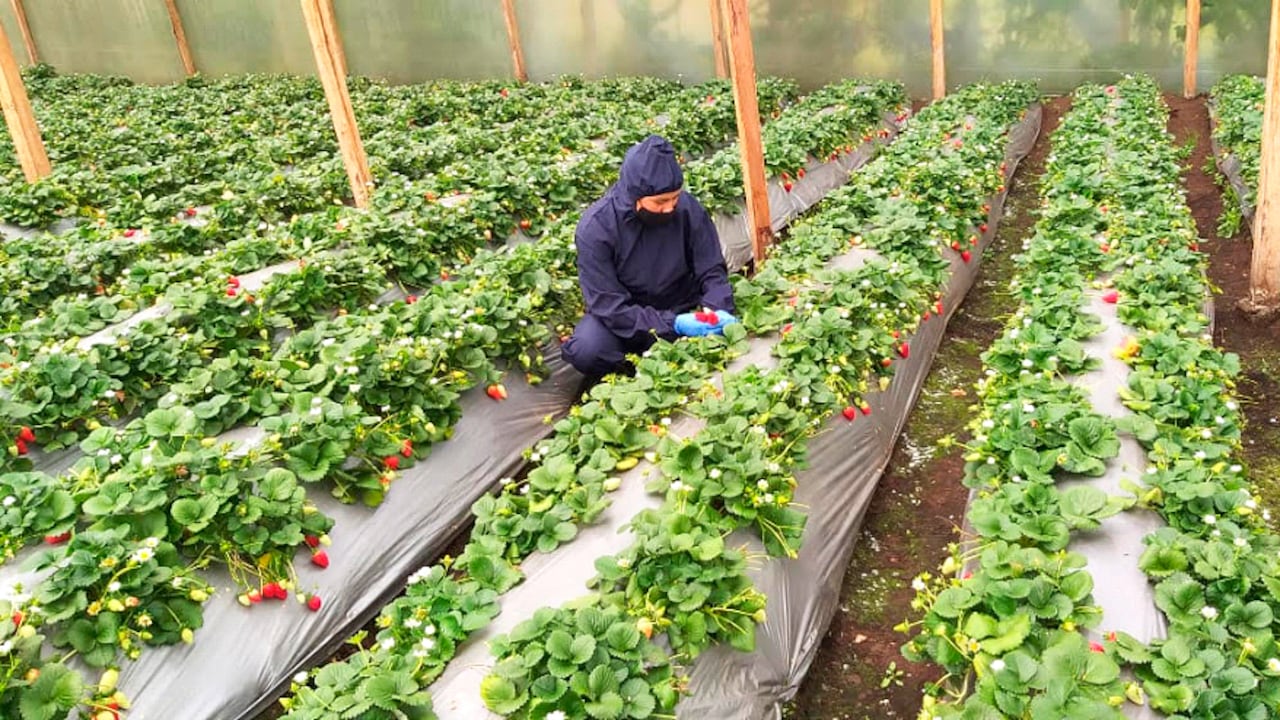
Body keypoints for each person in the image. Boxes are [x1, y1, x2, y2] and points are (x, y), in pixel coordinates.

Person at [561, 135, 737, 379]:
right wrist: (671, 324)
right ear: (635, 195)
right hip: (626, 319)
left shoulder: (687, 209)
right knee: (587, 349)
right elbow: (609, 307)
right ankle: (633, 374)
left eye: (675, 197)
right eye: (660, 201)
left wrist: (718, 310)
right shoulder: (596, 228)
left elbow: (711, 269)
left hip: (681, 304)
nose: (670, 207)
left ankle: (673, 355)